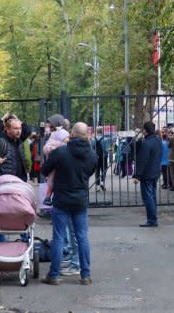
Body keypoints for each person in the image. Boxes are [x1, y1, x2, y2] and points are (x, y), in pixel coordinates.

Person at [41, 122, 97, 285]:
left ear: (71, 133)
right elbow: (90, 171)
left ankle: (54, 274)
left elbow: (45, 170)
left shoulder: (60, 152)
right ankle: (85, 274)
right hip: (80, 199)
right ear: (86, 135)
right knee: (82, 236)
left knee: (58, 237)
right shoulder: (92, 155)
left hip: (61, 198)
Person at [133, 122, 162, 227]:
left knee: (148, 197)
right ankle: (153, 218)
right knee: (152, 196)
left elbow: (143, 161)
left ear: (145, 130)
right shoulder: (158, 141)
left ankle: (152, 219)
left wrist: (137, 175)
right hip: (155, 172)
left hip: (147, 173)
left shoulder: (146, 143)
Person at [0, 114, 31, 182]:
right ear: (7, 129)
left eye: (20, 128)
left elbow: (28, 131)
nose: (19, 131)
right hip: (6, 182)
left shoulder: (20, 142)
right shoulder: (1, 141)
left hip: (20, 181)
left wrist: (18, 120)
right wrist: (3, 118)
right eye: (16, 128)